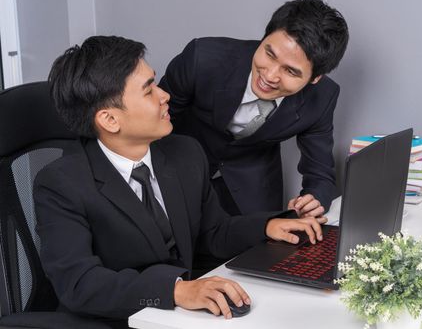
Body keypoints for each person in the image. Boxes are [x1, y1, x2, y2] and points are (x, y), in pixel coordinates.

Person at [34, 35, 325, 328]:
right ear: (110, 120)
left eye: (156, 83)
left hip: (180, 317)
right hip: (115, 320)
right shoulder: (61, 184)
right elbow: (80, 284)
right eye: (149, 91)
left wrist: (267, 226)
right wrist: (175, 290)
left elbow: (214, 231)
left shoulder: (184, 152)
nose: (164, 95)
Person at [159, 0, 349, 220]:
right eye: (269, 54)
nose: (269, 75)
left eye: (290, 71)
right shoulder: (203, 58)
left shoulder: (323, 96)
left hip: (254, 191)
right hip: (178, 175)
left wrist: (314, 200)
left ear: (315, 78)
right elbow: (153, 125)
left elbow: (320, 172)